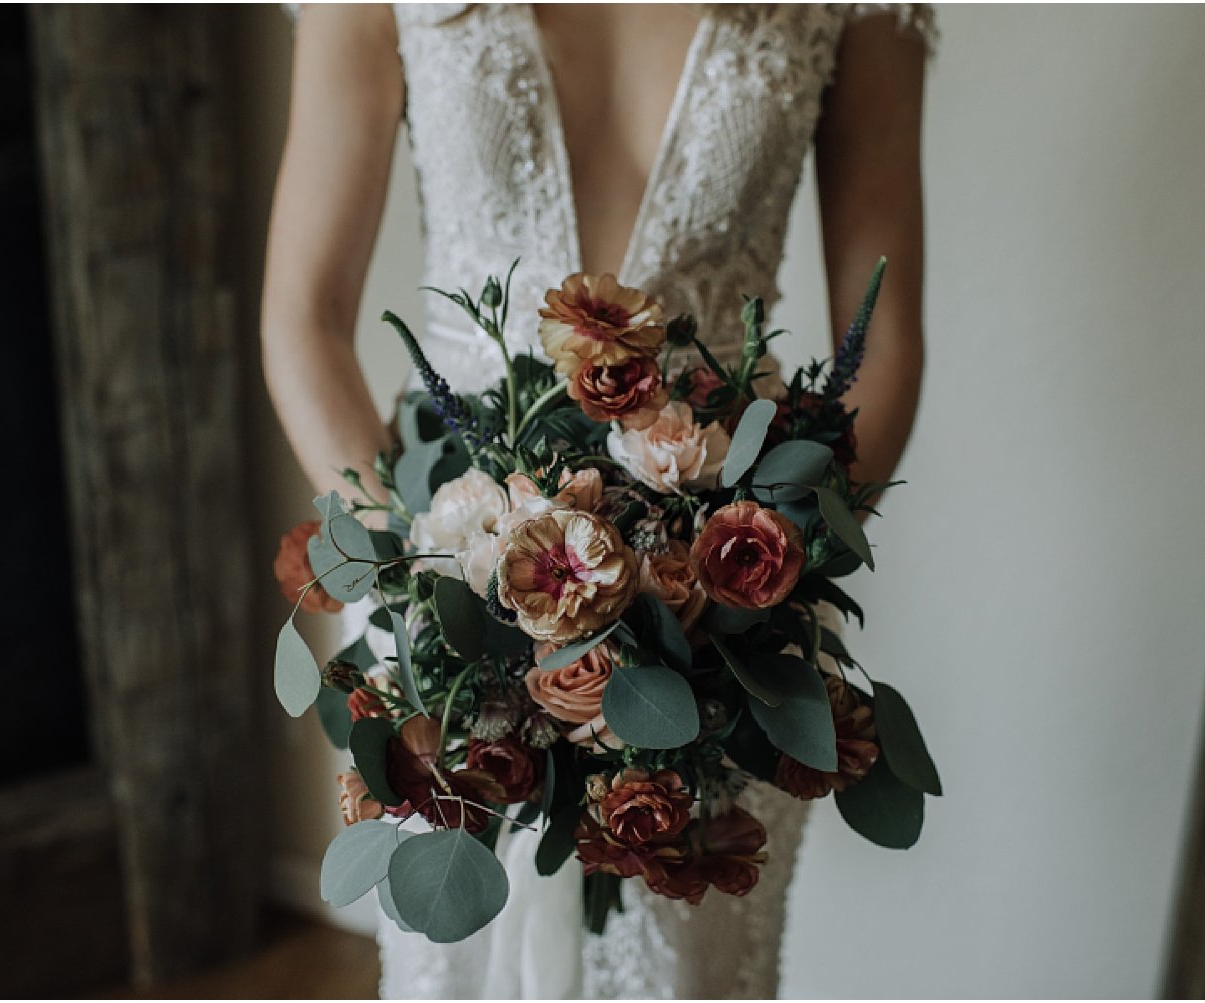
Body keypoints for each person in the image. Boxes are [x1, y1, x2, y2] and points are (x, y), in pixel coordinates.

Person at [262, 4, 933, 998]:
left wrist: (761, 575)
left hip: (721, 593)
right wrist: (420, 575)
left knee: (683, 964)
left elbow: (881, 332)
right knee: (456, 958)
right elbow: (304, 317)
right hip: (448, 570)